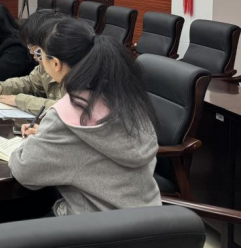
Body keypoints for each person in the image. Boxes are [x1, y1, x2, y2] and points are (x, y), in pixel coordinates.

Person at [8, 17, 161, 216]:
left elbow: (24, 171)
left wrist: (29, 141)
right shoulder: (128, 99)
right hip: (151, 223)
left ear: (56, 63)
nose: (39, 60)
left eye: (40, 55)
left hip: (93, 229)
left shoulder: (67, 115)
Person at [0, 9, 67, 113]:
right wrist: (2, 87)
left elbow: (65, 109)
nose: (31, 52)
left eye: (33, 46)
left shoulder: (74, 70)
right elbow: (30, 83)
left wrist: (19, 100)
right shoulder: (44, 66)